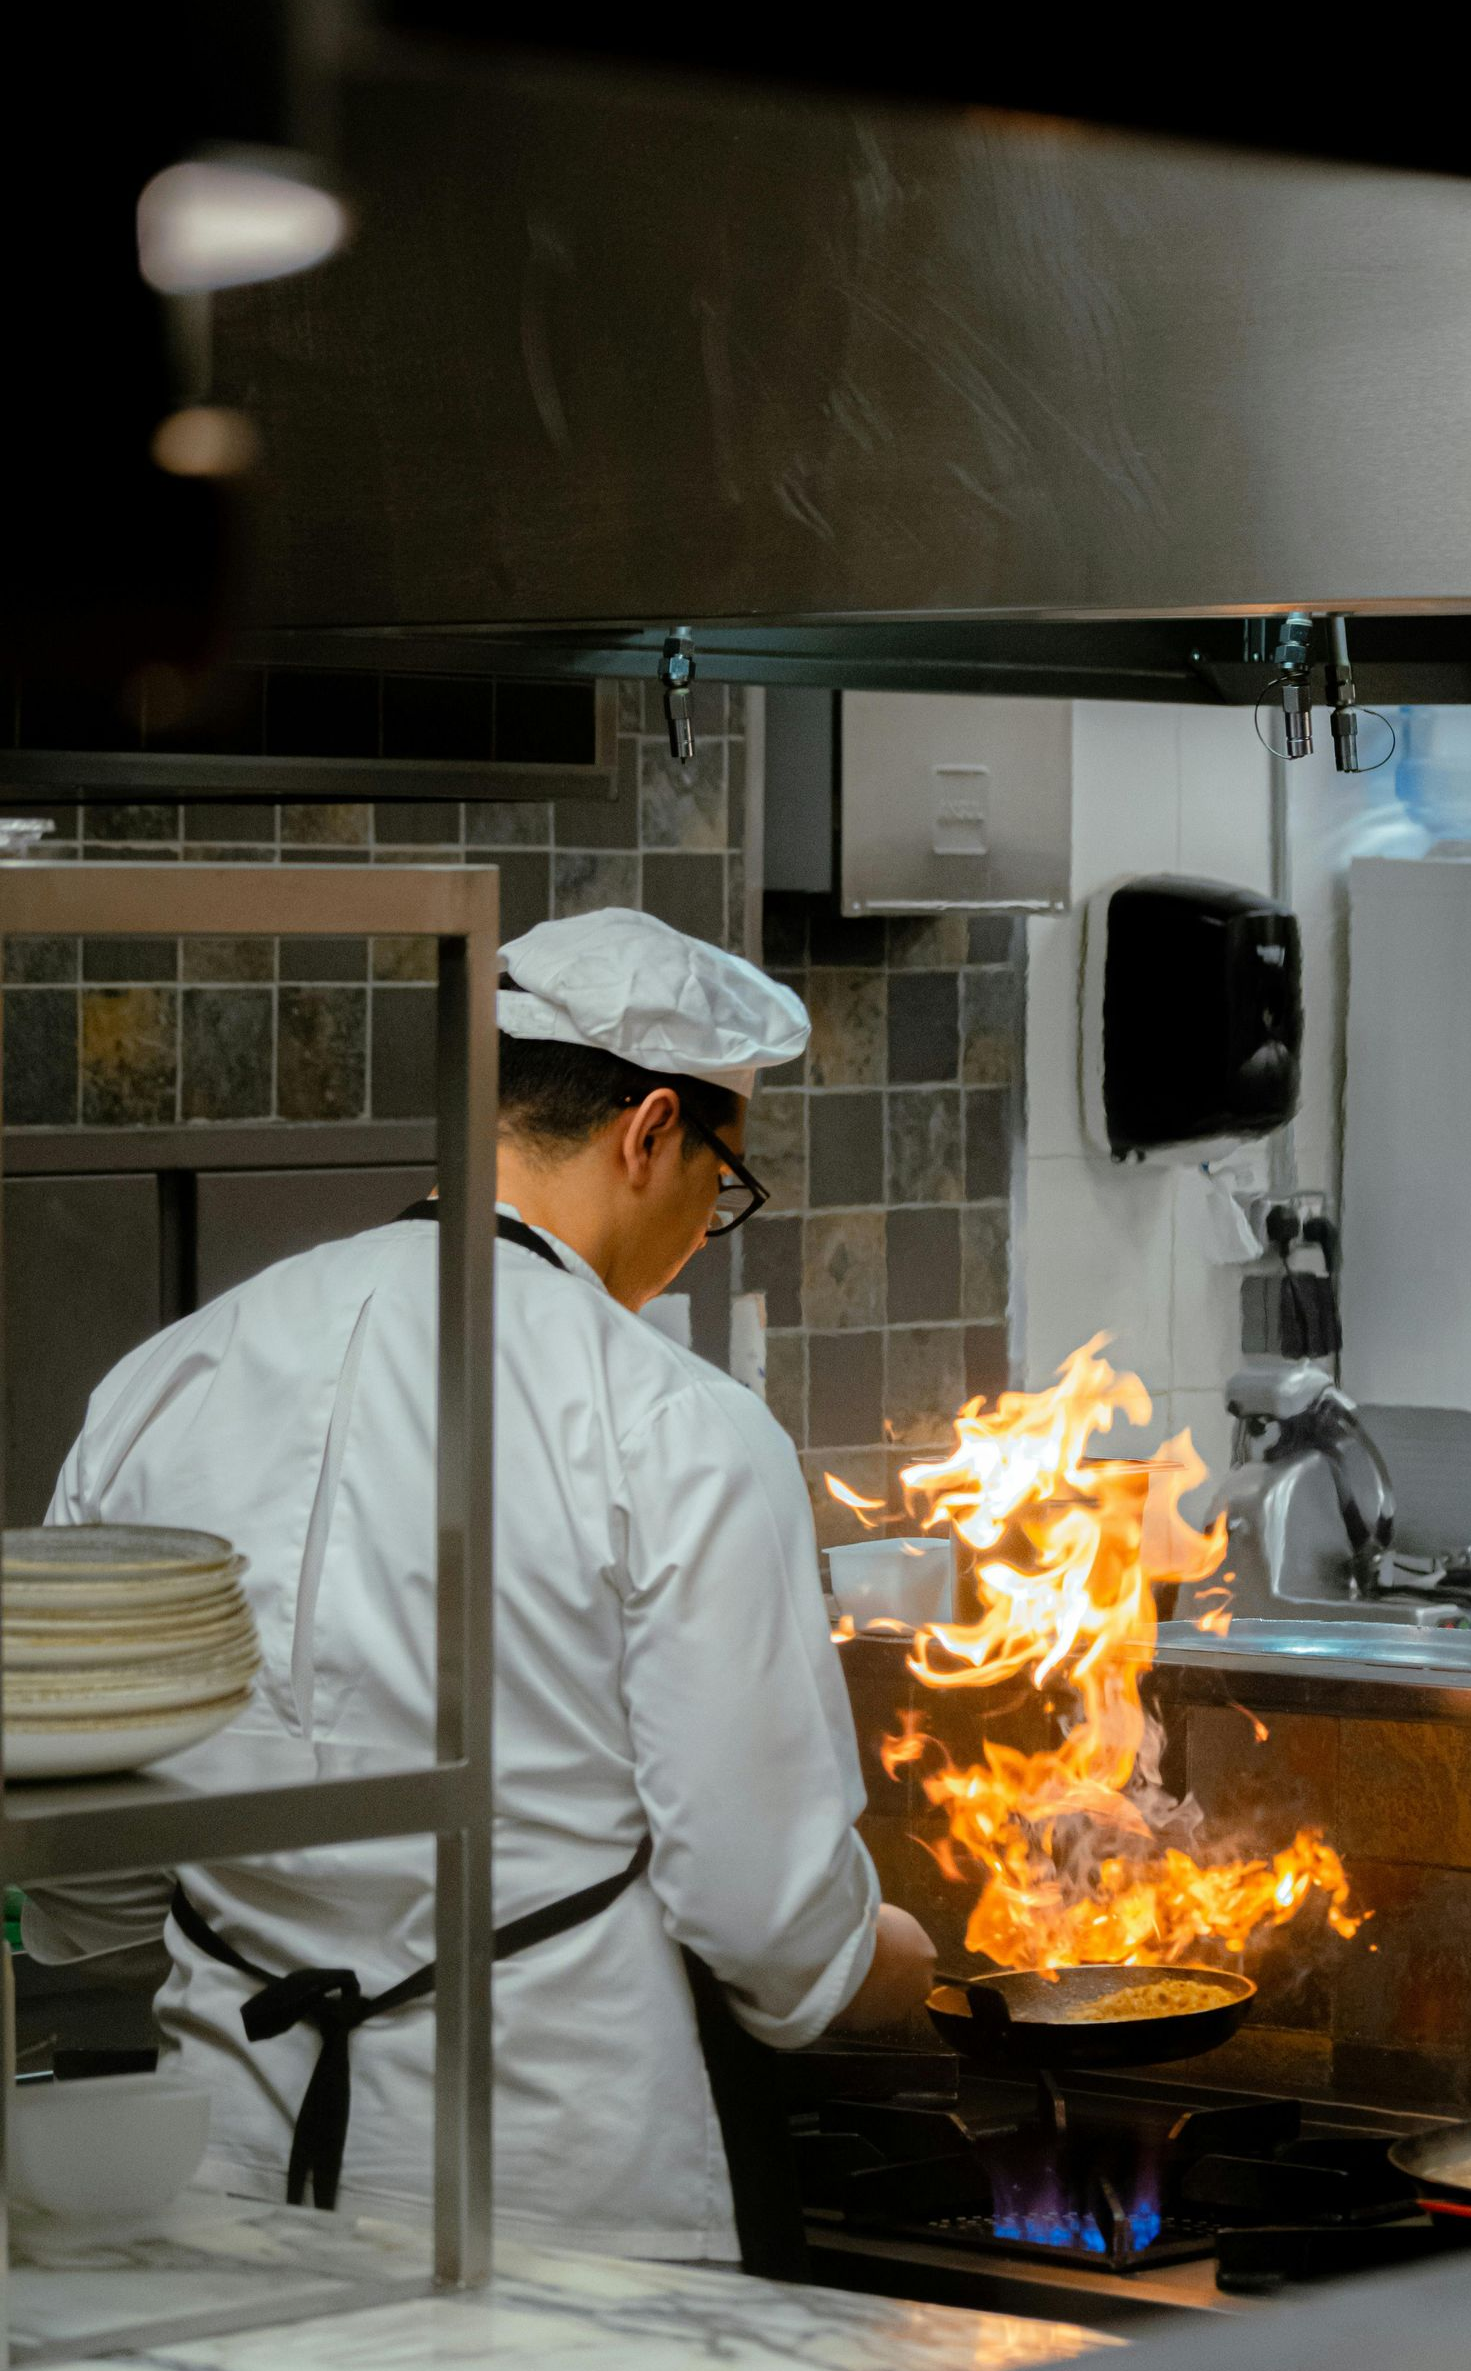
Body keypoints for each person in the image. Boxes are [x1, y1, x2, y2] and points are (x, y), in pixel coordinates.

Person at [24, 909, 935, 2262]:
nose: (706, 1229)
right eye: (723, 1181)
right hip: (558, 2190)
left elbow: (83, 1865)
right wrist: (881, 1963)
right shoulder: (674, 1422)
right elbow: (761, 1911)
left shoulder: (173, 1373)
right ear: (651, 1133)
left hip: (226, 2161)